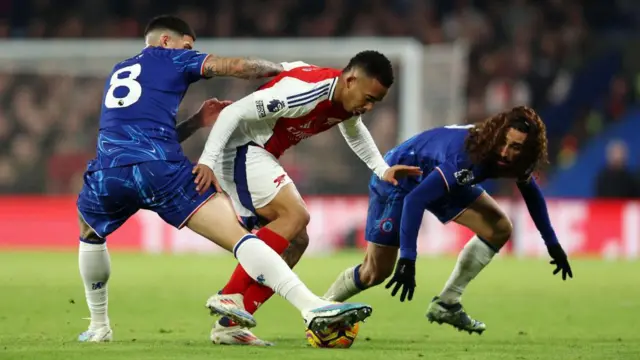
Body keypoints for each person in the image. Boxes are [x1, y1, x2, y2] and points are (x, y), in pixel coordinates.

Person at [76, 15, 373, 343]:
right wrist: (284, 72)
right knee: (240, 238)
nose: (191, 50)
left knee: (90, 234)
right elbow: (233, 66)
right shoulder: (172, 56)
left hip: (107, 172)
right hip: (160, 171)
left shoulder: (118, 72)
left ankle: (98, 326)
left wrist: (195, 122)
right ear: (166, 41)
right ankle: (310, 306)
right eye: (188, 45)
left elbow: (142, 134)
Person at [196, 52, 421, 345]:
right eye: (367, 98)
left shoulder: (346, 103)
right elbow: (232, 113)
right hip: (240, 148)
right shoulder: (305, 93)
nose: (367, 107)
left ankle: (229, 325)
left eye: (374, 103)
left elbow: (355, 132)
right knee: (295, 214)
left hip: (258, 152)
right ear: (350, 79)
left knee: (297, 240)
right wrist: (207, 161)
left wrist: (382, 169)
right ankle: (231, 295)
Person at [323, 106, 573, 334]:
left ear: (527, 149)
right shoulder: (472, 155)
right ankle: (321, 309)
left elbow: (530, 191)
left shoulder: (515, 159)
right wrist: (408, 260)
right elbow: (415, 201)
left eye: (516, 147)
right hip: (401, 177)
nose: (506, 153)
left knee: (499, 228)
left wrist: (552, 243)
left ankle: (448, 302)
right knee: (375, 272)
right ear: (497, 135)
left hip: (444, 178)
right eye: (504, 143)